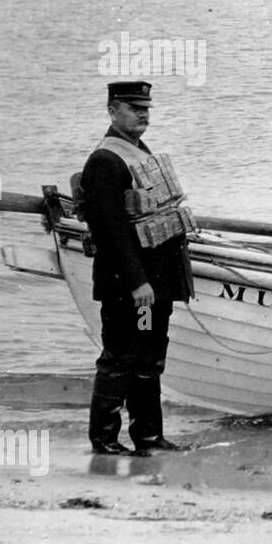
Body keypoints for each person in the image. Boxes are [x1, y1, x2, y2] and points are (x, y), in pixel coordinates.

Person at [79, 81, 195, 455]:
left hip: (155, 284)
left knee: (149, 357)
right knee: (120, 358)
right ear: (113, 111)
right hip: (130, 287)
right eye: (133, 107)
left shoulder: (138, 151)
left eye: (146, 107)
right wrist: (137, 283)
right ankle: (105, 440)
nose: (143, 113)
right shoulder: (105, 160)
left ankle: (148, 436)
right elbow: (109, 231)